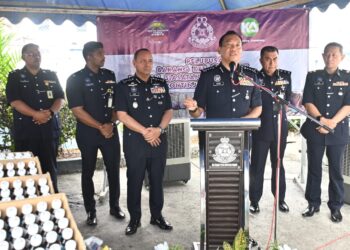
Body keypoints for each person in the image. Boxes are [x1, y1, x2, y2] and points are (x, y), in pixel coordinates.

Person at [66, 41, 125, 226]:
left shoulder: (109, 75)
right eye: (100, 53)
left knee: (114, 170)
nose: (104, 56)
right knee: (87, 172)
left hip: (110, 132)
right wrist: (100, 126)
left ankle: (115, 207)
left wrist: (111, 123)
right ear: (89, 56)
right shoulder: (74, 79)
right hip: (88, 133)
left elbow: (116, 105)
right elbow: (77, 110)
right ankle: (90, 211)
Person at [116, 48, 173, 235]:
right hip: (135, 143)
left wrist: (159, 130)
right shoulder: (124, 85)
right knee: (134, 181)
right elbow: (122, 115)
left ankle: (157, 216)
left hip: (158, 141)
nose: (147, 64)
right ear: (134, 63)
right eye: (142, 61)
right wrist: (144, 132)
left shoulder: (161, 84)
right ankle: (135, 219)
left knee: (157, 180)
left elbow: (168, 111)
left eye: (150, 60)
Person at [301, 42, 350, 223]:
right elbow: (307, 102)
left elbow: (348, 105)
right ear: (322, 56)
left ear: (342, 57)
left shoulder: (347, 77)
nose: (330, 58)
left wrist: (331, 123)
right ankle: (313, 203)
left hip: (337, 133)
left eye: (334, 55)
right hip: (316, 130)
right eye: (327, 54)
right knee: (314, 169)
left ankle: (335, 207)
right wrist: (322, 120)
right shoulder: (313, 77)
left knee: (336, 171)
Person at [6, 43, 64, 193]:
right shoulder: (15, 76)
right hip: (27, 131)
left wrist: (50, 113)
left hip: (49, 130)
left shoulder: (51, 75)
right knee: (27, 170)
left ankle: (53, 199)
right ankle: (31, 202)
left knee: (50, 168)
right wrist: (35, 114)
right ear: (23, 57)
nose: (35, 56)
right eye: (31, 54)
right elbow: (14, 101)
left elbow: (60, 98)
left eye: (37, 53)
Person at [249, 46, 292, 214]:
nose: (271, 62)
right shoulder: (255, 78)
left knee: (279, 165)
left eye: (274, 59)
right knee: (257, 167)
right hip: (261, 130)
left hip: (280, 129)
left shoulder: (286, 77)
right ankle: (254, 201)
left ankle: (280, 199)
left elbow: (287, 101)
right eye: (267, 59)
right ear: (261, 60)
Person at [183, 30, 262, 119]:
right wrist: (193, 109)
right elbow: (198, 112)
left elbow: (258, 107)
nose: (234, 48)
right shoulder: (207, 75)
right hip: (215, 131)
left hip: (243, 130)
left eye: (237, 45)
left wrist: (243, 122)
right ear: (219, 50)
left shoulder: (251, 75)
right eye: (229, 45)